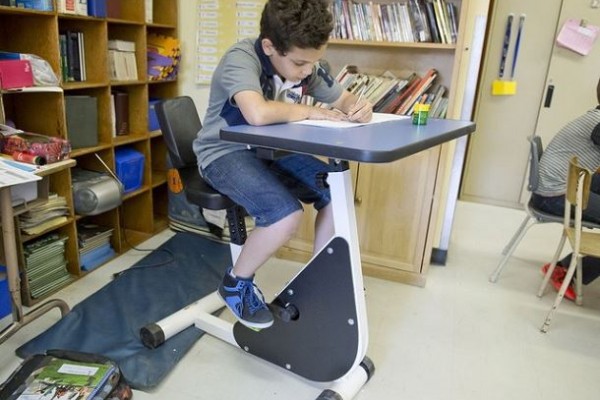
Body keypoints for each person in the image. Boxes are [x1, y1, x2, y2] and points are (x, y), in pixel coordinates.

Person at [193, 0, 373, 329]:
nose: (308, 71)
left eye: (314, 62)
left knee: (336, 191)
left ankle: (320, 278)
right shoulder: (241, 58)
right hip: (222, 152)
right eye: (301, 63)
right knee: (284, 214)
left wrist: (357, 106)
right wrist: (311, 111)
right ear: (269, 47)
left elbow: (343, 98)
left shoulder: (304, 63)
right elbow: (257, 113)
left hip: (270, 151)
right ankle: (235, 284)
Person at [531, 77, 600, 300]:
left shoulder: (594, 115)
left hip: (561, 186)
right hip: (555, 195)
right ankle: (568, 273)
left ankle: (564, 267)